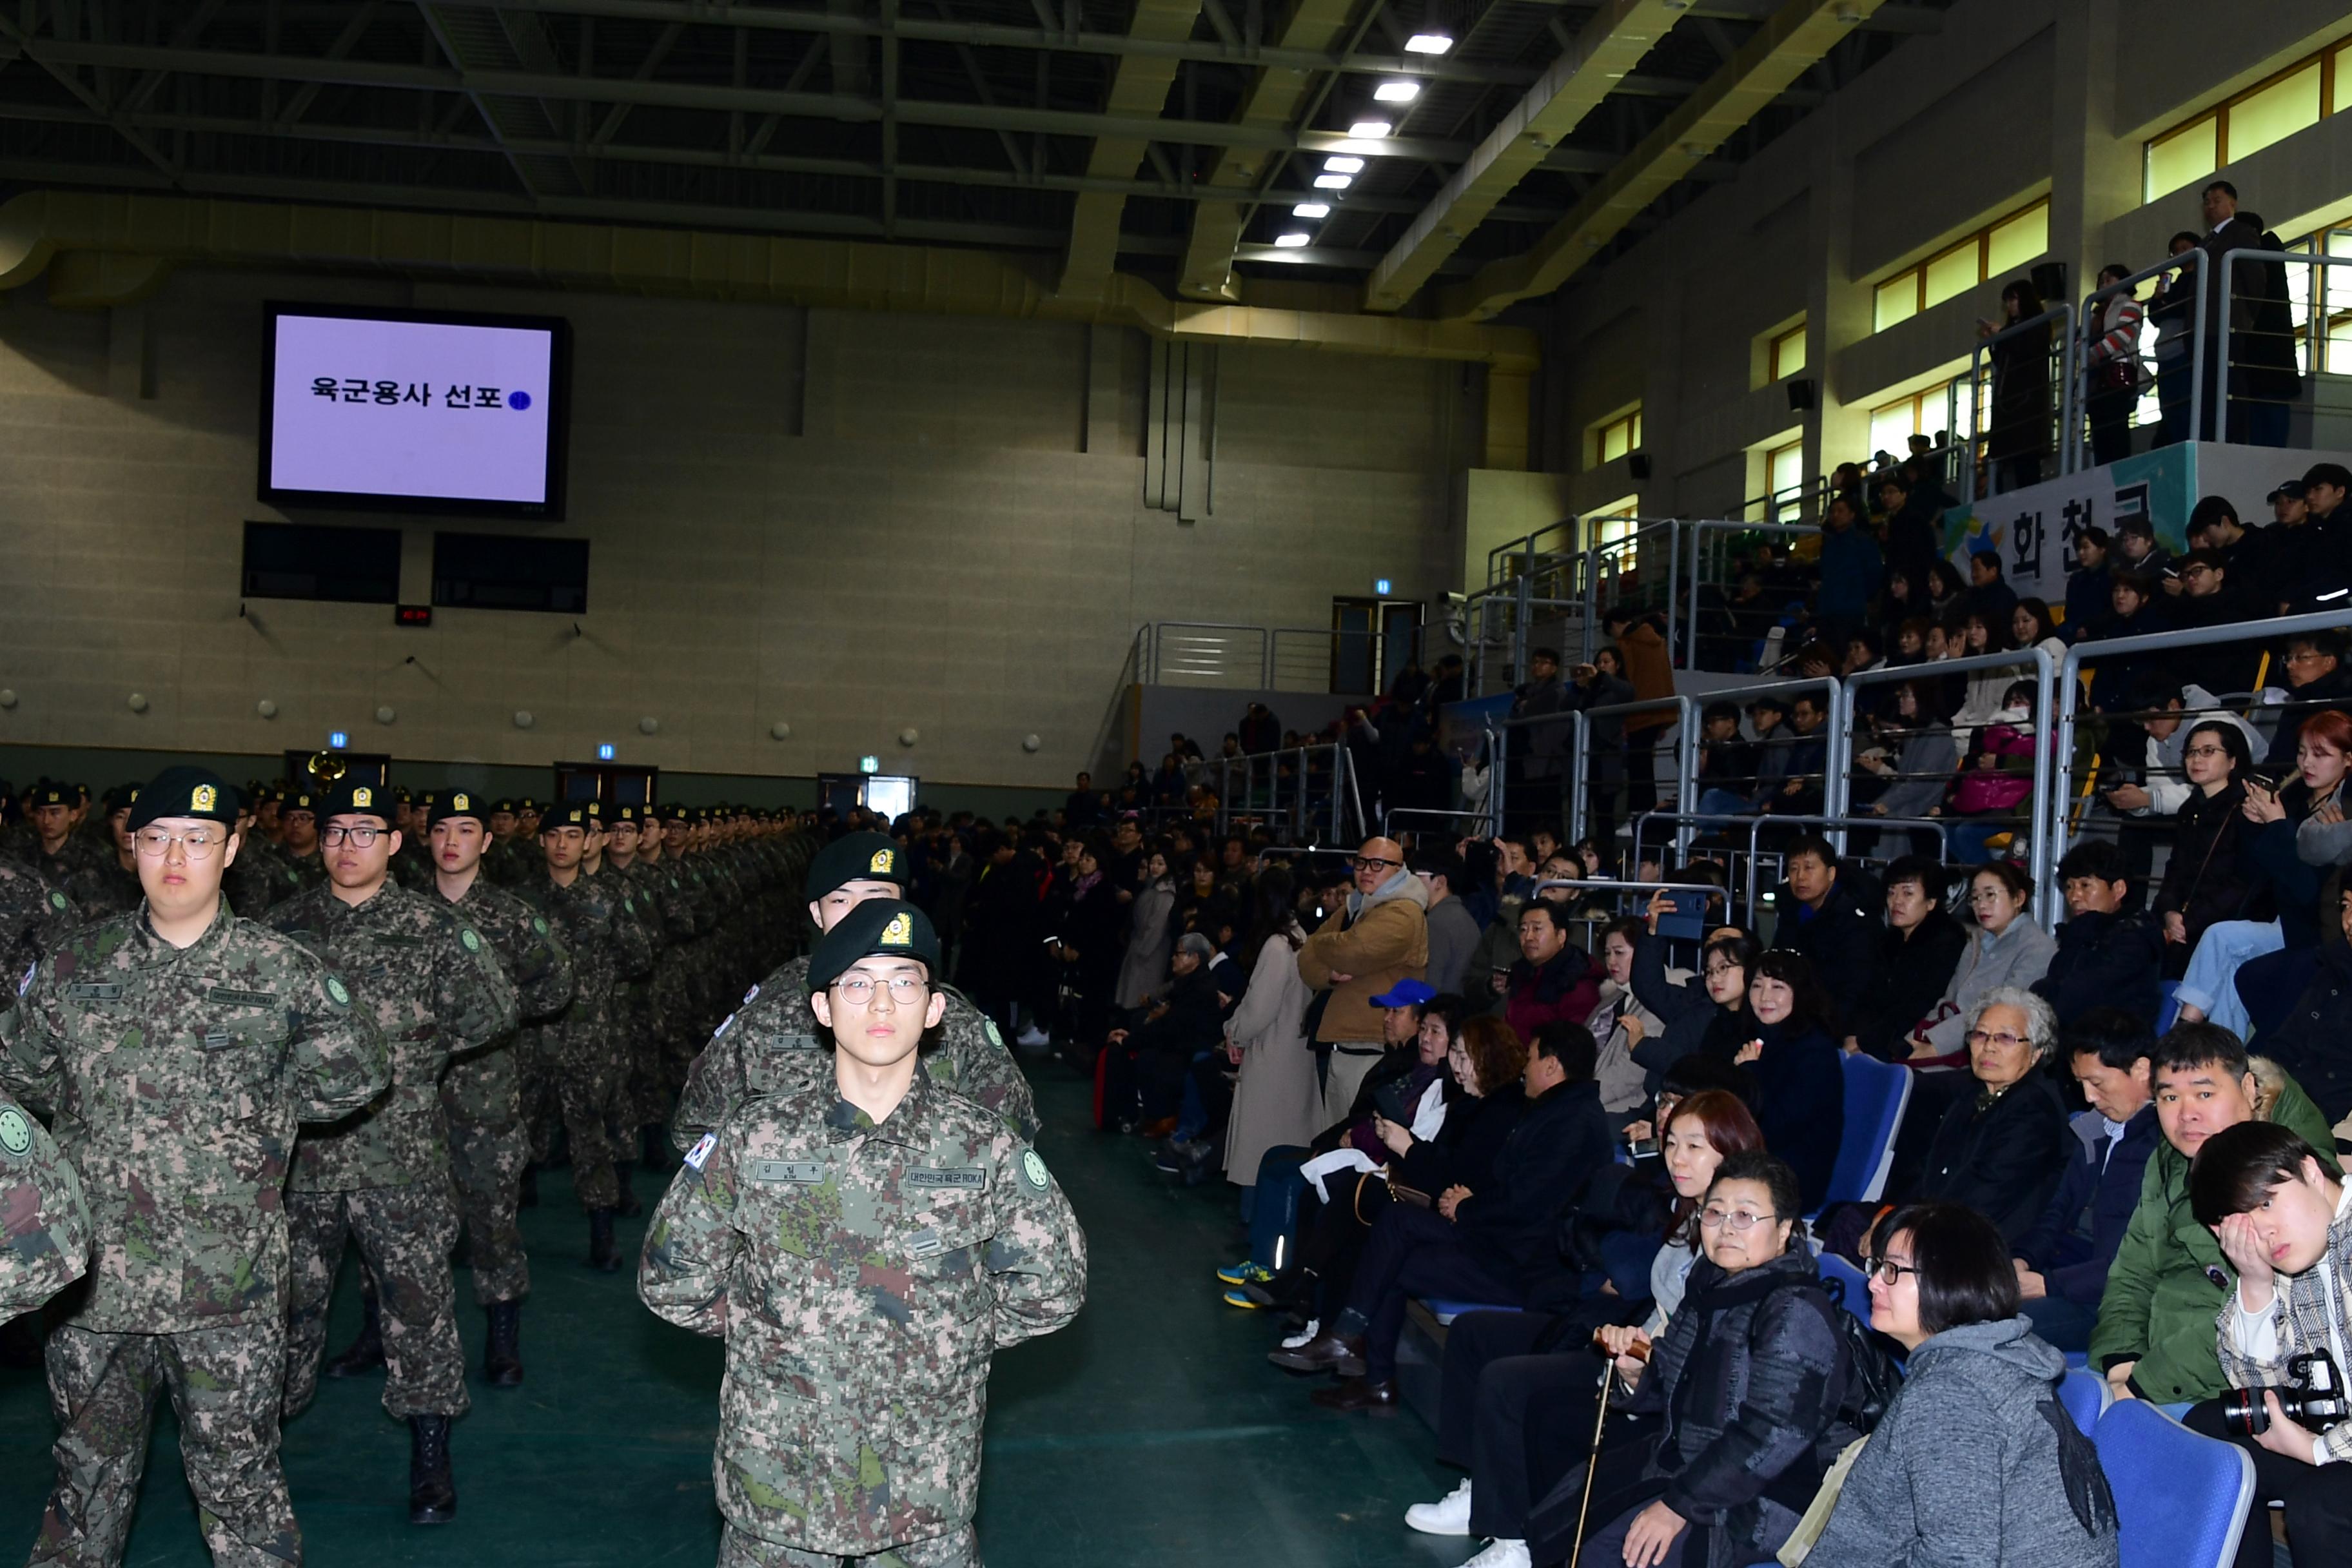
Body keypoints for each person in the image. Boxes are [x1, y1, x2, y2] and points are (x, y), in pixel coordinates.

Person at [1, 768, 392, 1563]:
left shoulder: (283, 970)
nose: (175, 855)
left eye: (198, 838)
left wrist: (249, 1128)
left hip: (229, 1289)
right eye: (157, 837)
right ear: (130, 847)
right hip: (94, 1291)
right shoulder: (75, 967)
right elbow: (20, 1078)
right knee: (85, 1486)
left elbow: (356, 1074)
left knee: (242, 1486)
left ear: (232, 847)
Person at [638, 899, 1087, 1568]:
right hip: (780, 1486)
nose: (882, 1002)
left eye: (904, 981)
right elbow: (671, 1277)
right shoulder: (753, 1137)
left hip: (921, 1489)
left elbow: (1054, 1285)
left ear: (935, 1009)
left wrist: (948, 1333)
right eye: (857, 982)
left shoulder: (983, 1147)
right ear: (822, 1006)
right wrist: (775, 1328)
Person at [264, 776, 521, 1522]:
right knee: (288, 1307)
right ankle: (260, 1450)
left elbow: (494, 1009)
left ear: (394, 841)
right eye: (336, 830)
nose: (349, 845)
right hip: (301, 1164)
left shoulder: (432, 927)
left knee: (419, 1304)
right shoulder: (281, 931)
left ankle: (431, 1453)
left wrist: (416, 1059)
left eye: (365, 831)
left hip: (399, 1157)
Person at [1411, 1090, 1764, 1555]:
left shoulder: (1736, 1237)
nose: (1678, 1158)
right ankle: (1484, 1490)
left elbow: (1646, 1292)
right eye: (1673, 1143)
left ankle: (1515, 1539)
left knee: (1513, 1385)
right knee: (1481, 1339)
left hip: (1657, 1377)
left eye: (1695, 1147)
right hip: (1635, 1351)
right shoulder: (1686, 1213)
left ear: (1730, 1149)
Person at [1518, 1152, 1854, 1568]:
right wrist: (1636, 1373)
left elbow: (1771, 1435)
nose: (1726, 1228)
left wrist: (1679, 1507)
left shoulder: (1795, 1311)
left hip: (1765, 1496)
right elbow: (1677, 1380)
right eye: (1714, 1213)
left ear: (1784, 1230)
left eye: (1746, 1216)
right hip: (1695, 1460)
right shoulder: (1709, 1281)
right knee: (1571, 1510)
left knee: (1609, 1550)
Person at [1269, 1022, 1612, 1413]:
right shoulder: (1560, 1112)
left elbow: (1526, 1203)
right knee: (1394, 1240)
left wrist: (1465, 1206)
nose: (1524, 1068)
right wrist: (1468, 1201)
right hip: (1505, 1242)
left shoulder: (1571, 1122)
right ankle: (1368, 1368)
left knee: (1396, 1233)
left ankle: (1352, 1344)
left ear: (1552, 1066)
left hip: (1523, 1265)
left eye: (1532, 1058)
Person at [1808, 1203, 2121, 1564]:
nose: (1874, 1282)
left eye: (1893, 1270)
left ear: (1951, 1281)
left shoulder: (1953, 1394)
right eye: (1877, 1267)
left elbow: (1957, 1559)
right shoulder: (1986, 1361)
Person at [2091, 1022, 2339, 1406]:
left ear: (2249, 1089)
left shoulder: (2283, 1176)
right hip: (2151, 1370)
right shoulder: (2172, 1159)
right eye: (2169, 1099)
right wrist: (2122, 1358)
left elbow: (2263, 1311)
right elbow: (2133, 1270)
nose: (2187, 1114)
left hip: (2224, 1383)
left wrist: (2144, 1384)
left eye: (2205, 1093)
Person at [2184, 1121, 2352, 1567]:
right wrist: (2256, 1286)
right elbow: (2265, 1387)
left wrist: (2314, 1450)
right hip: (2339, 1430)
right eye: (2243, 1225)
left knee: (2322, 1505)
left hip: (2334, 1450)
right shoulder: (2302, 1248)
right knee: (2214, 1435)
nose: (2266, 1235)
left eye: (2267, 1203)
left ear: (2311, 1173)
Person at [513, 802, 657, 1269]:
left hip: (588, 1038)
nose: (562, 845)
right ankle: (499, 1235)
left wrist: (595, 982)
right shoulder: (520, 902)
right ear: (541, 842)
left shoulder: (606, 900)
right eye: (553, 836)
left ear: (587, 842)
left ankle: (602, 1233)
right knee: (515, 1136)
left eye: (572, 836)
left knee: (591, 1137)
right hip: (530, 1040)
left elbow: (638, 956)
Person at [2010, 1008, 2162, 1352]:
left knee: (1992, 1331)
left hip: (2103, 1301)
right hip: (2059, 1275)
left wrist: (2049, 1284)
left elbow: (2136, 1263)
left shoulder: (2163, 1150)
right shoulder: (2096, 1130)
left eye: (2097, 1083)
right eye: (2081, 1084)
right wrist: (2023, 1259)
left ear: (2141, 1070)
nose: (2089, 1097)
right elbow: (2057, 1210)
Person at [1913, 988, 2071, 1241]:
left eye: (2006, 1038)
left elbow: (1986, 1197)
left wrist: (1909, 1226)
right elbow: (1927, 1170)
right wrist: (1893, 1213)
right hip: (1939, 1222)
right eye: (1980, 1035)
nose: (1989, 1047)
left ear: (2036, 1053)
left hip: (1977, 1243)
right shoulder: (1971, 1095)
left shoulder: (2035, 1111)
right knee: (1852, 1217)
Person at [1298, 836, 1430, 1123]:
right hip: (1344, 1042)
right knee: (1335, 1137)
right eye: (1361, 863)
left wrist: (1322, 945)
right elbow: (1304, 960)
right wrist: (1330, 975)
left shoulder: (1404, 912)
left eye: (1378, 864)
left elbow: (1351, 952)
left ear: (1399, 870)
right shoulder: (1356, 906)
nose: (1366, 871)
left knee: (1360, 1138)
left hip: (1375, 1043)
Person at [1220, 868, 1320, 1193]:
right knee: (1287, 1137)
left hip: (1273, 1053)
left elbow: (1259, 1009)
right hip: (1295, 1051)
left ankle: (1256, 1219)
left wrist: (1235, 1032)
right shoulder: (1299, 937)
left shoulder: (1277, 946)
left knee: (1262, 1143)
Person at [2153, 718, 2268, 975]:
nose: (2196, 759)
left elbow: (2243, 881)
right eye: (2191, 752)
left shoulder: (2248, 809)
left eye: (2208, 751)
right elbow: (2175, 868)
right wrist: (2170, 911)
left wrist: (2190, 922)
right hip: (2184, 920)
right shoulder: (2190, 809)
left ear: (2233, 761)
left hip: (2224, 922)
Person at [1909, 862, 2057, 1058]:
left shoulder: (2037, 947)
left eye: (1990, 895)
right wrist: (1918, 1036)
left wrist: (1936, 1045)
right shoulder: (1978, 940)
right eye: (1976, 898)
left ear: (2019, 898)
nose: (1982, 905)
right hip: (1953, 1040)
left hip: (1991, 1049)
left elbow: (2002, 1013)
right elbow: (1950, 998)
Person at [1734, 950, 1845, 1211]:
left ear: (1800, 992)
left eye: (1778, 987)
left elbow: (1777, 1127)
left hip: (1793, 1177)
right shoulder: (1759, 1039)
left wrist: (1749, 1073)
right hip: (1757, 1160)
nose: (1764, 997)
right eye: (1757, 985)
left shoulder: (1816, 1052)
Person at [1768, 836, 1883, 1051]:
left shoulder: (1855, 920)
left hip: (1843, 1025)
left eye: (1809, 868)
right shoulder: (1793, 911)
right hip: (1798, 1016)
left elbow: (1855, 991)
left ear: (1831, 874)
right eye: (1793, 869)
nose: (1800, 877)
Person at [2033, 839, 2165, 1027]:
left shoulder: (2135, 938)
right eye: (2069, 887)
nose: (2074, 896)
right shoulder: (2078, 933)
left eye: (2085, 885)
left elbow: (2077, 997)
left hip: (2113, 1043)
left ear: (2118, 889)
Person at [1848, 854, 1965, 1061]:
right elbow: (1869, 995)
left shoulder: (1946, 941)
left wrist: (1865, 1041)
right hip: (1879, 1036)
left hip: (1913, 1040)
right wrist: (1855, 1035)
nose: (1897, 901)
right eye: (1891, 893)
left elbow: (1919, 1005)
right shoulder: (1891, 939)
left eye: (1908, 894)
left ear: (1931, 902)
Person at [1979, 276, 2053, 493]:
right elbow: (2004, 359)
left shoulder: (2037, 323)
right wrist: (1996, 341)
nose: (2010, 306)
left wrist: (2002, 335)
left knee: (2026, 462)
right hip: (2009, 402)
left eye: (2013, 300)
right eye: (2008, 302)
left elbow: (2026, 351)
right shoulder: (2014, 327)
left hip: (2026, 402)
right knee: (2009, 463)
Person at [1502, 899, 1600, 1046]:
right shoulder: (1522, 972)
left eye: (1537, 929)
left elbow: (1573, 1047)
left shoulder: (1578, 981)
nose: (1528, 937)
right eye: (1523, 929)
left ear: (1561, 935)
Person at [2083, 262, 2148, 466]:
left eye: (2109, 279)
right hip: (2095, 379)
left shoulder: (2131, 306)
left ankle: (2119, 473)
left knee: (2116, 430)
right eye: (2101, 281)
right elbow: (2078, 342)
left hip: (2116, 374)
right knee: (2099, 434)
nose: (2104, 284)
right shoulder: (2093, 314)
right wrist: (2088, 354)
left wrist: (2093, 353)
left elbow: (2122, 336)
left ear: (2123, 281)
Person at [1413, 847, 1482, 997]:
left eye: (1417, 876)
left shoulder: (1436, 922)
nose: (1411, 884)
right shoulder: (1464, 917)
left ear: (1440, 882)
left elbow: (1431, 983)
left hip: (1438, 1011)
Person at [2064, 525, 2113, 642]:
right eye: (2078, 549)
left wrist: (2089, 628)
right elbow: (2070, 614)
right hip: (2076, 636)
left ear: (2102, 549)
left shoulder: (2115, 577)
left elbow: (2114, 612)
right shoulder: (2075, 580)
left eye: (2086, 548)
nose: (2081, 553)